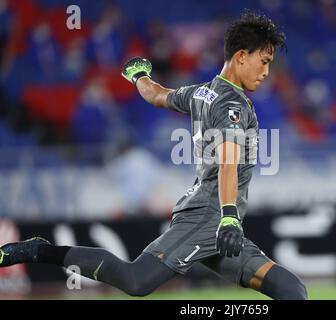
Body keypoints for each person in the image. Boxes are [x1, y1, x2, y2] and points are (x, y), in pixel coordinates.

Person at [0, 11, 307, 300]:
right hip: (209, 218)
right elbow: (228, 161)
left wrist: (138, 76)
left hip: (221, 221)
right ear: (242, 56)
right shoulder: (232, 105)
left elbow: (158, 95)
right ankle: (39, 251)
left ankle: (40, 251)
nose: (267, 72)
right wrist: (228, 216)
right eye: (264, 61)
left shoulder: (202, 92)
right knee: (137, 280)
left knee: (291, 289)